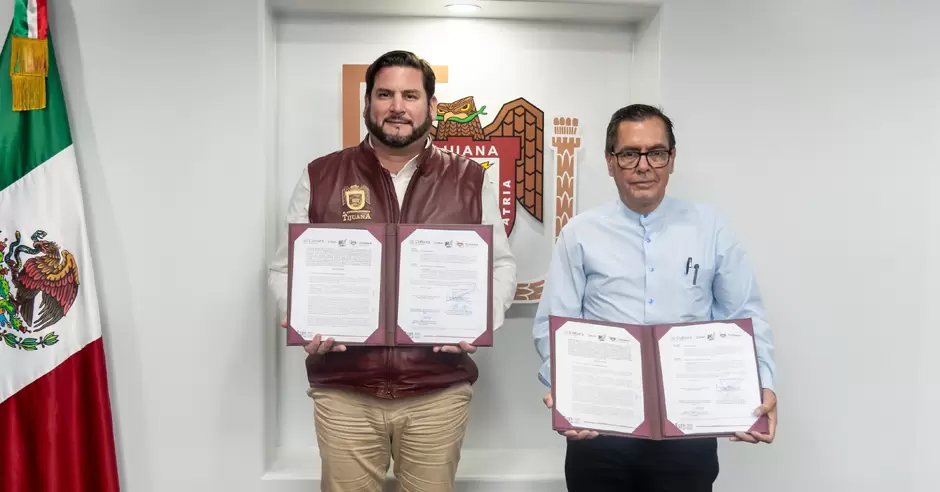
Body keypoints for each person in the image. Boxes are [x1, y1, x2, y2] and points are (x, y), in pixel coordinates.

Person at [267, 50, 517, 492]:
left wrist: (477, 322)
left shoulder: (471, 179)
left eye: (410, 95)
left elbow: (499, 264)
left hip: (437, 390)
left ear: (431, 106)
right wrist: (305, 321)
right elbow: (284, 268)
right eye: (384, 94)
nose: (397, 106)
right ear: (368, 103)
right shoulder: (321, 175)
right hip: (344, 389)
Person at [531, 104, 777, 491]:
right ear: (610, 162)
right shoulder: (579, 233)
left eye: (656, 153)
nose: (644, 166)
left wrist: (761, 384)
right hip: (600, 431)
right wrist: (567, 392)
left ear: (672, 159)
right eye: (630, 154)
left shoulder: (711, 228)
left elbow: (743, 314)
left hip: (688, 432)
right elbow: (553, 324)